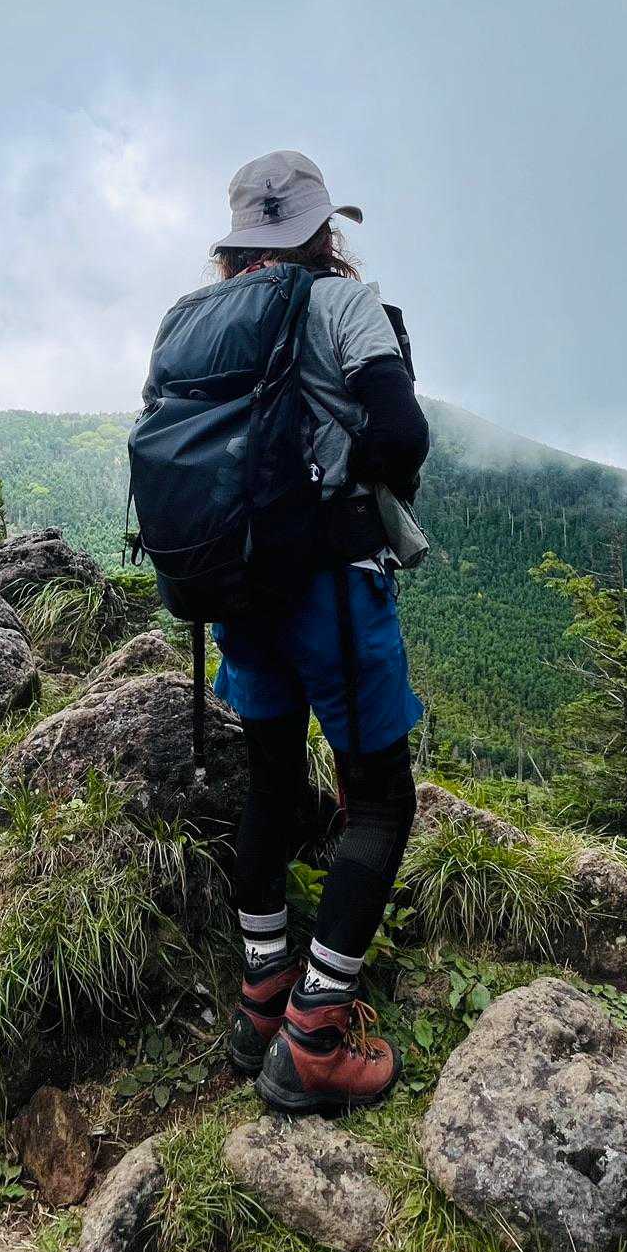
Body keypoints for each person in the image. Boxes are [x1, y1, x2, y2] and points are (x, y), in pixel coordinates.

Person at [210, 150, 430, 1111]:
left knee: (273, 783)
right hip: (331, 589)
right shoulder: (343, 304)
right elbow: (403, 433)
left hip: (235, 586)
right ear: (321, 230)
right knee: (379, 802)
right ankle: (315, 1034)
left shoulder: (197, 318)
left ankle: (263, 996)